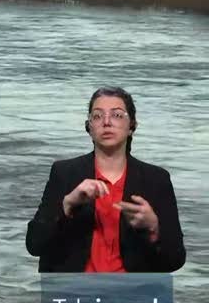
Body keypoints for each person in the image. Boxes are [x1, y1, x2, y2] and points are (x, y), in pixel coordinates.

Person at [26, 87, 185, 272]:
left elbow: (175, 260)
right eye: (98, 116)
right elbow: (34, 245)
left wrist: (153, 227)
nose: (107, 122)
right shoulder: (64, 172)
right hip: (74, 296)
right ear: (89, 127)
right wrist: (66, 205)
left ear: (131, 126)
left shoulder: (156, 179)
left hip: (134, 295)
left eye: (117, 115)